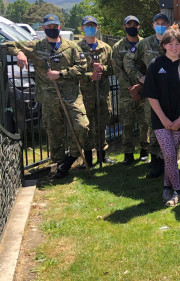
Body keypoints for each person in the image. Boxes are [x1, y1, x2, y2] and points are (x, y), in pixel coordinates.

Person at [6, 14, 89, 178]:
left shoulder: (71, 47)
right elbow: (8, 44)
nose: (52, 29)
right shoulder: (36, 47)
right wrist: (19, 53)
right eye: (49, 27)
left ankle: (72, 156)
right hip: (49, 98)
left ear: (60, 27)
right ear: (43, 28)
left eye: (55, 26)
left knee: (81, 126)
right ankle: (60, 165)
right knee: (54, 132)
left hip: (71, 95)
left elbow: (82, 68)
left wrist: (61, 73)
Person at [142, 29, 180, 206]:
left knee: (170, 155)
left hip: (178, 119)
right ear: (163, 45)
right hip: (160, 119)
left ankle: (166, 186)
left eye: (177, 44)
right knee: (170, 156)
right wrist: (163, 119)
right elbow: (151, 95)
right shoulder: (156, 65)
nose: (174, 47)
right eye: (170, 44)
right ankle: (178, 191)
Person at [124, 13, 171, 179]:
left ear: (168, 25)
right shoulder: (144, 43)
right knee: (153, 126)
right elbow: (128, 60)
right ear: (152, 26)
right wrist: (140, 77)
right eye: (157, 23)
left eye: (163, 23)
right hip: (152, 92)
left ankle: (168, 162)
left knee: (170, 126)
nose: (160, 25)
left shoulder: (172, 43)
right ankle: (156, 163)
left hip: (171, 92)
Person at [76, 16, 115, 167]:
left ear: (97, 28)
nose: (90, 28)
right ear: (82, 28)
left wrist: (103, 69)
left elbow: (113, 69)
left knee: (101, 125)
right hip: (85, 94)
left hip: (102, 93)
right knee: (86, 126)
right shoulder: (77, 48)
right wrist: (89, 76)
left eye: (93, 26)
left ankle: (102, 156)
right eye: (87, 26)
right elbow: (75, 72)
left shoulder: (106, 48)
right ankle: (88, 159)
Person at [111, 15, 150, 165]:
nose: (132, 26)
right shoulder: (118, 47)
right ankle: (128, 153)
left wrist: (140, 87)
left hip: (144, 89)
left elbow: (150, 67)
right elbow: (117, 70)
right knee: (127, 123)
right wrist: (131, 89)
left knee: (144, 122)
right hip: (126, 92)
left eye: (135, 24)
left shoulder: (146, 44)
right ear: (124, 27)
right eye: (129, 24)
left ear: (139, 27)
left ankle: (144, 151)